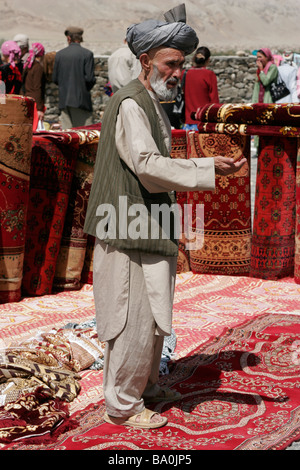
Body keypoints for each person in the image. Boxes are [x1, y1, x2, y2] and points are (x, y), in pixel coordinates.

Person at [84, 3, 246, 430]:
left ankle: (147, 385)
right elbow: (147, 165)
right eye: (171, 63)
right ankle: (121, 404)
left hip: (146, 221)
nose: (178, 72)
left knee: (155, 314)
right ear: (145, 61)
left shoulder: (152, 101)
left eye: (181, 64)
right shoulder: (130, 103)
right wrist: (207, 168)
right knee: (131, 316)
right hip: (125, 225)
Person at [52, 26, 96, 129]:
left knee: (68, 136)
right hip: (82, 102)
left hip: (64, 101)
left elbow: (55, 78)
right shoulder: (87, 54)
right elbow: (90, 79)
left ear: (68, 38)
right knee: (84, 135)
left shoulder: (59, 55)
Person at [182, 46, 219, 129]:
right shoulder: (209, 75)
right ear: (208, 60)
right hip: (204, 122)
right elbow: (214, 101)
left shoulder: (184, 73)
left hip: (188, 122)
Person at [23, 42, 46, 125]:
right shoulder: (38, 68)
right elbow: (37, 88)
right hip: (34, 104)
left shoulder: (27, 66)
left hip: (27, 101)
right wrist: (39, 109)